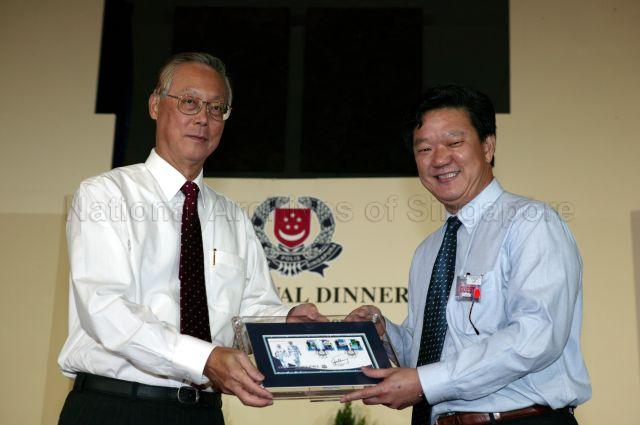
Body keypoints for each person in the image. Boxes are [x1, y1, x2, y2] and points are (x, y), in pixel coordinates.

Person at [57, 52, 322, 425]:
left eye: (216, 108)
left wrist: (287, 320)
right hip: (115, 406)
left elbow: (251, 309)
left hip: (203, 414)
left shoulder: (233, 216)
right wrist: (205, 358)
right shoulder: (106, 195)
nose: (203, 118)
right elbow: (106, 309)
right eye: (189, 102)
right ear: (154, 105)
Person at [342, 85, 591, 425]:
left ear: (487, 146)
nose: (439, 159)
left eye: (454, 143)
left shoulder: (531, 223)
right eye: (424, 148)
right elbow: (428, 350)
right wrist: (383, 333)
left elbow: (536, 335)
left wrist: (424, 383)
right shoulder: (429, 250)